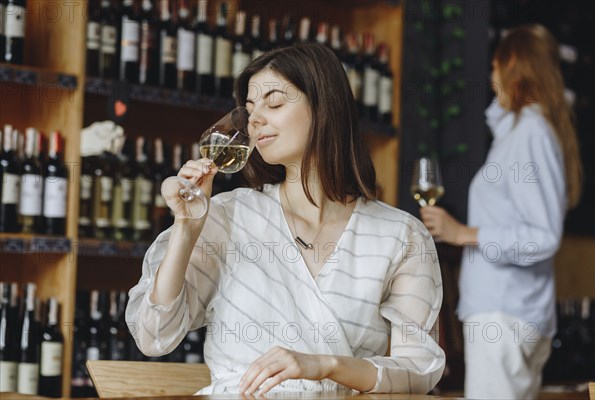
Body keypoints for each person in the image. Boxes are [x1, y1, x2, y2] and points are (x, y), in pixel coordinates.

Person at [126, 43, 445, 395]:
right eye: (249, 109)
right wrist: (186, 228)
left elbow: (419, 370)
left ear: (324, 107)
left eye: (274, 103)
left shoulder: (400, 235)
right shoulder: (228, 217)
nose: (255, 119)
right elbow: (153, 335)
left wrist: (326, 366)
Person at [420, 24, 583, 399]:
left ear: (512, 66)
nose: (490, 78)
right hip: (510, 315)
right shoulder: (521, 132)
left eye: (495, 68)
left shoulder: (530, 133)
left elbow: (542, 237)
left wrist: (465, 233)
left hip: (505, 318)